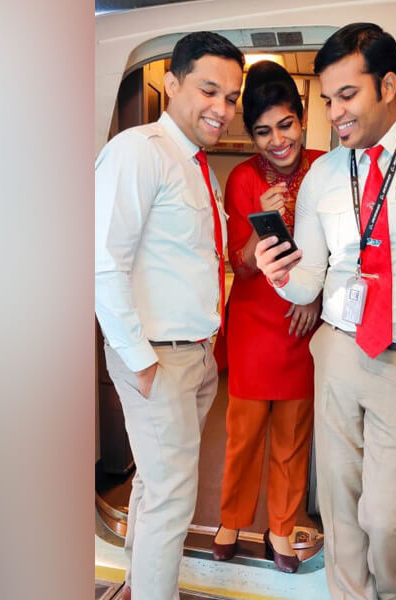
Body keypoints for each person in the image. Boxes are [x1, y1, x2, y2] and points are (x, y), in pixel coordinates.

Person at [254, 23, 396, 600]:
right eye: (327, 99)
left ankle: (393, 594)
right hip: (339, 352)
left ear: (388, 85)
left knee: (385, 516)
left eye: (346, 95)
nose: (335, 113)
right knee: (339, 510)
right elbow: (309, 282)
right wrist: (280, 274)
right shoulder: (324, 175)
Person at [94, 32, 244, 600]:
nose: (222, 108)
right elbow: (103, 262)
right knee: (173, 495)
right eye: (209, 90)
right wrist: (140, 360)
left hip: (194, 355)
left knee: (156, 486)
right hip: (157, 356)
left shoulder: (195, 165)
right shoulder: (139, 151)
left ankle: (139, 586)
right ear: (174, 84)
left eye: (231, 97)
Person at [209, 61, 325, 574]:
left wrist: (313, 299)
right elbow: (239, 263)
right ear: (251, 136)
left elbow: (344, 253)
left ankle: (281, 526)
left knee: (292, 439)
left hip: (304, 327)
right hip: (255, 324)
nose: (277, 141)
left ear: (303, 119)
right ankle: (231, 520)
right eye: (262, 131)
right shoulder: (242, 178)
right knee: (244, 436)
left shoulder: (327, 168)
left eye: (285, 125)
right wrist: (261, 220)